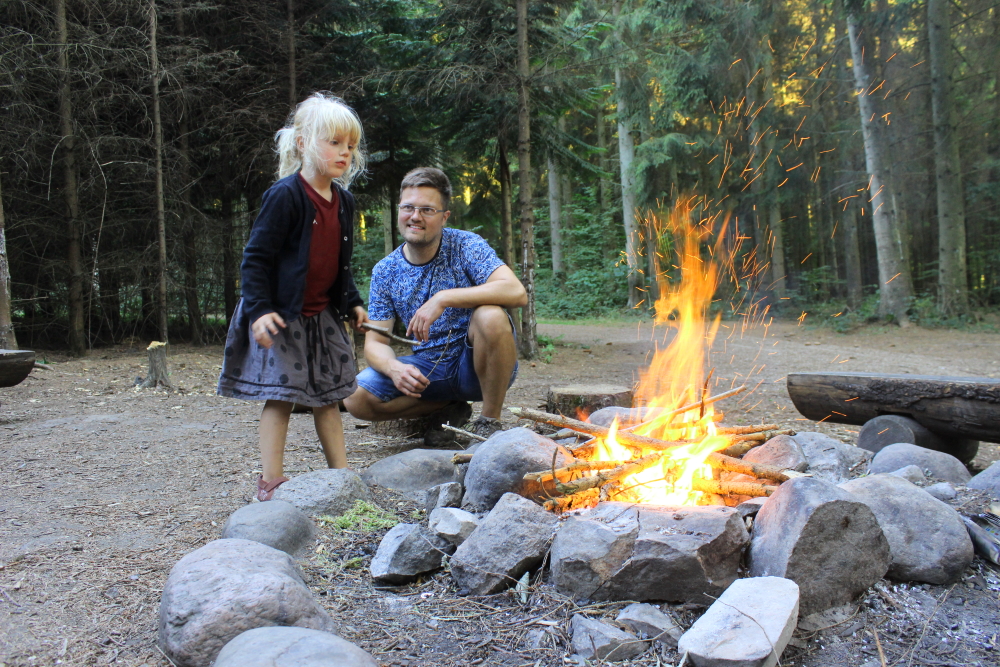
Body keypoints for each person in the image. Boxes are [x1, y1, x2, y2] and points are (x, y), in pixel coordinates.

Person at [218, 93, 369, 501]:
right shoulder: (286, 197)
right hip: (281, 315)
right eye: (334, 142)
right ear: (302, 142)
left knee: (330, 395)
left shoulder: (344, 201)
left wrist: (352, 301)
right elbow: (256, 259)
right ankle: (271, 481)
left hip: (320, 314)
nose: (344, 152)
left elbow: (340, 263)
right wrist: (259, 310)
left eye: (350, 146)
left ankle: (342, 477)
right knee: (281, 396)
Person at [343, 167, 526, 440]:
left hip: (477, 366)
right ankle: (447, 405)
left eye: (427, 210)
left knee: (490, 315)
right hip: (428, 369)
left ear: (444, 217)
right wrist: (395, 369)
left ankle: (489, 423)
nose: (415, 217)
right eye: (408, 208)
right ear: (398, 210)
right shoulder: (386, 270)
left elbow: (515, 291)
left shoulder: (466, 245)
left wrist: (443, 298)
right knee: (355, 397)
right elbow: (375, 342)